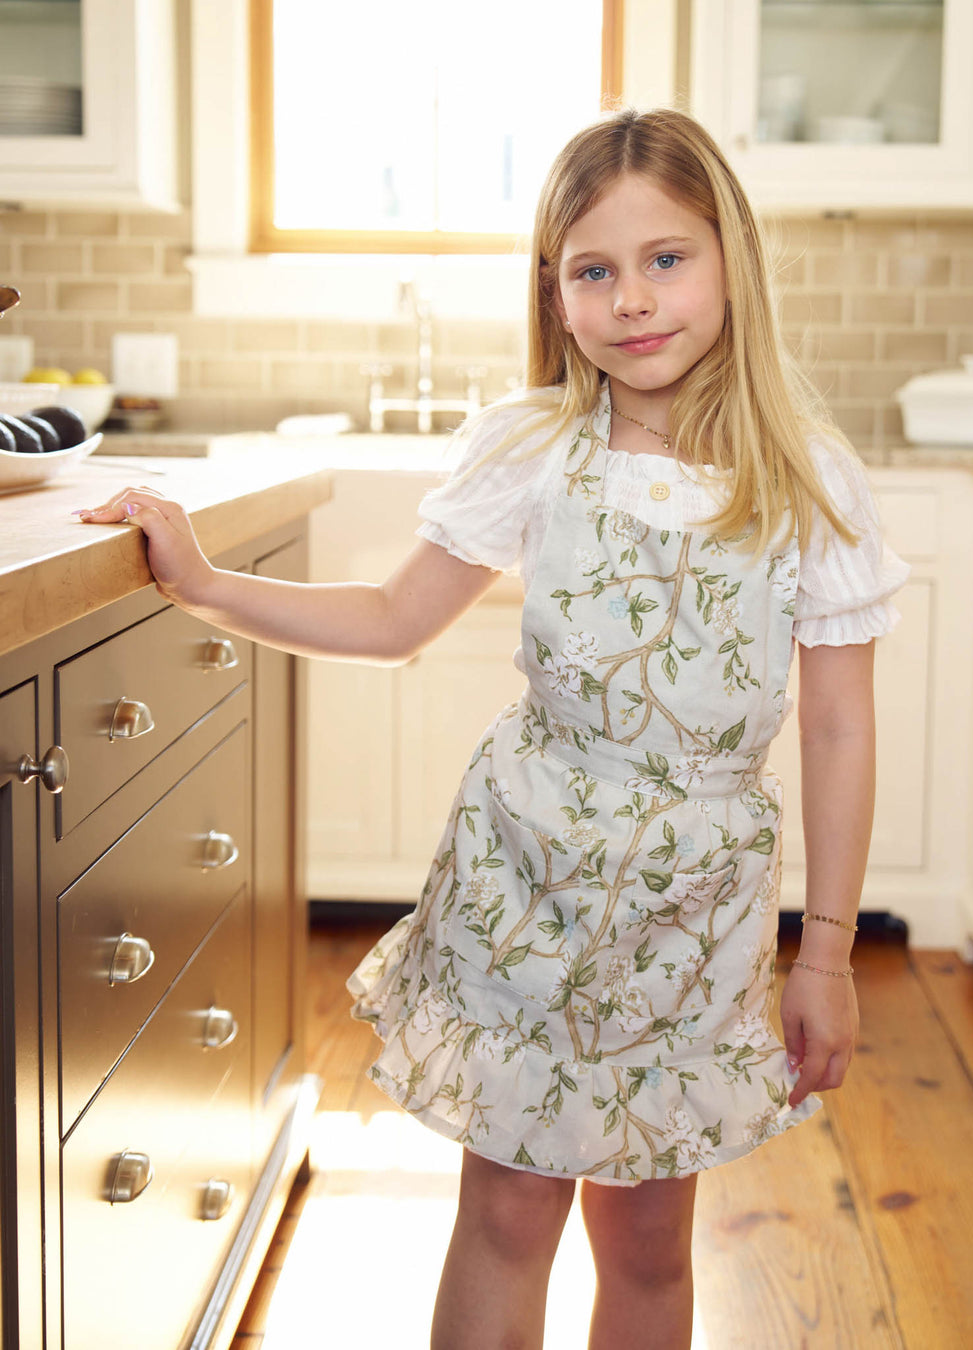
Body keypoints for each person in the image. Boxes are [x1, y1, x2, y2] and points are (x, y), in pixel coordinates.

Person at [78, 108, 908, 1350]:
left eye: (666, 258)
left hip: (693, 920)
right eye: (594, 270)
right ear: (555, 293)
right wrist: (204, 583)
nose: (633, 298)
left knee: (644, 1241)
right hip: (526, 884)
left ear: (732, 255)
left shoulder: (812, 481)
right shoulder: (533, 451)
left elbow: (840, 728)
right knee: (509, 1214)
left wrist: (829, 953)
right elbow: (391, 614)